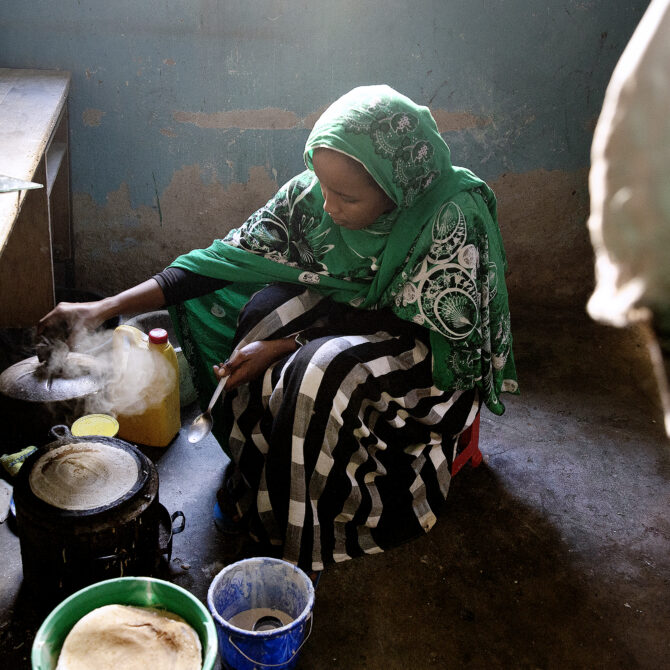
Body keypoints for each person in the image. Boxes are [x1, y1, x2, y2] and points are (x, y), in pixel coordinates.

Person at [40, 85, 518, 577]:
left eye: (347, 197)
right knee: (262, 312)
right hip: (347, 316)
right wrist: (101, 307)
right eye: (322, 184)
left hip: (429, 353)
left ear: (395, 188)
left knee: (321, 375)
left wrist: (292, 345)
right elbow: (217, 263)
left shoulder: (449, 219)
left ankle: (308, 529)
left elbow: (410, 327)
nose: (327, 206)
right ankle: (267, 478)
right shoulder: (314, 197)